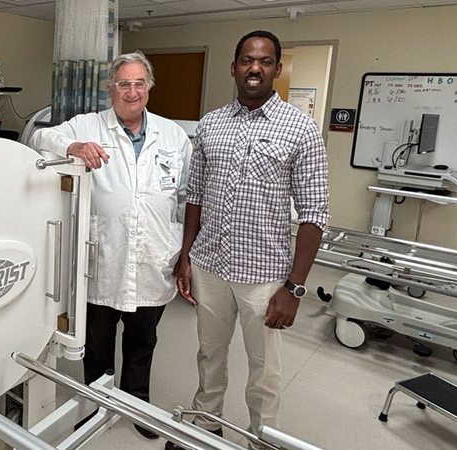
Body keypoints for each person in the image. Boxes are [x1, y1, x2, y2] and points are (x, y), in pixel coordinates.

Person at [166, 30, 329, 449]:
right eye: (247, 60)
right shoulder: (210, 125)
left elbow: (314, 215)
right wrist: (186, 257)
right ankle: (206, 424)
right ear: (234, 66)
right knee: (209, 356)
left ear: (276, 68)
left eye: (265, 61)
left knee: (264, 371)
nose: (254, 68)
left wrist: (293, 287)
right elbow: (196, 197)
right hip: (210, 266)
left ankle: (263, 440)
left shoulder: (301, 130)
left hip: (264, 276)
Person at [31, 51, 191, 440]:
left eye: (139, 83)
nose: (132, 92)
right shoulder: (89, 125)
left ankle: (137, 403)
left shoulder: (173, 135)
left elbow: (185, 198)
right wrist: (73, 147)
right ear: (110, 89)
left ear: (149, 87)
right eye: (124, 84)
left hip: (154, 257)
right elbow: (39, 137)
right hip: (102, 258)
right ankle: (96, 404)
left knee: (143, 341)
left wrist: (184, 254)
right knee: (98, 344)